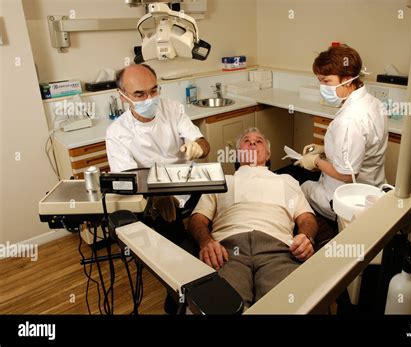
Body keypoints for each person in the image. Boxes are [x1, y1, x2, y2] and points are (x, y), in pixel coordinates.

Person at [188, 128, 318, 309]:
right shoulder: (222, 180)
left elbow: (306, 217)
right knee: (220, 306)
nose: (252, 143)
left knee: (287, 306)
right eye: (246, 141)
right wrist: (205, 241)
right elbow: (198, 218)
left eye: (259, 141)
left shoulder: (287, 180)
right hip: (227, 252)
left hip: (278, 250)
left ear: (268, 154)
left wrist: (306, 237)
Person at [105, 64, 210, 244]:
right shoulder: (117, 132)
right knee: (170, 229)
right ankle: (180, 256)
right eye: (139, 94)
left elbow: (203, 144)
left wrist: (198, 147)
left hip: (186, 181)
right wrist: (159, 194)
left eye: (154, 91)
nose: (149, 99)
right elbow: (128, 180)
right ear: (122, 96)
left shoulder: (172, 109)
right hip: (152, 192)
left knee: (218, 202)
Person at [295, 45, 388, 223]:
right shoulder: (374, 103)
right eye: (319, 81)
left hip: (348, 200)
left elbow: (346, 174)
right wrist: (324, 149)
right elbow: (365, 146)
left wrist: (315, 161)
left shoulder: (349, 120)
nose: (322, 87)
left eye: (326, 81)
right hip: (373, 188)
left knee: (304, 187)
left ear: (346, 80)